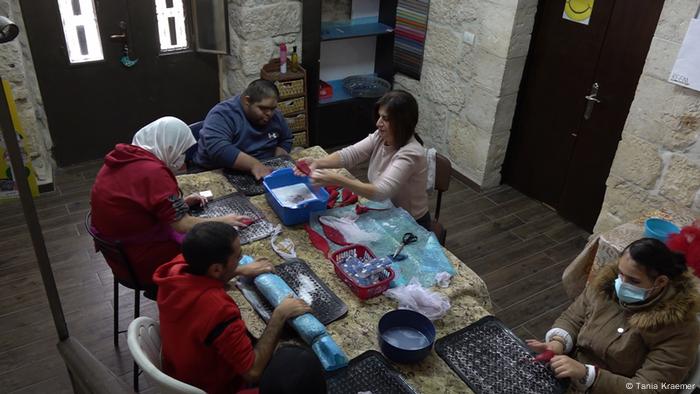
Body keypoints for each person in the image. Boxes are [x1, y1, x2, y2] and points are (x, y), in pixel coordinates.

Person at [154, 222, 325, 394]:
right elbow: (253, 372)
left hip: (178, 366)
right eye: (237, 258)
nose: (240, 259)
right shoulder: (216, 309)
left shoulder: (176, 268)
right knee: (299, 366)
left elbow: (213, 273)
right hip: (212, 385)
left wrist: (239, 270)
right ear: (216, 269)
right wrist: (279, 315)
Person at [90, 117, 248, 293]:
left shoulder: (125, 156)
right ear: (168, 145)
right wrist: (221, 221)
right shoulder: (153, 172)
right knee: (212, 250)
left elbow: (136, 199)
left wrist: (176, 205)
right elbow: (182, 225)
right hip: (140, 262)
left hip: (118, 256)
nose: (181, 159)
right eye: (180, 151)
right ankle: (234, 276)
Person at [527, 238, 699, 393]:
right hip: (570, 371)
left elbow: (650, 388)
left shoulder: (679, 329)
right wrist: (558, 343)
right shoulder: (605, 286)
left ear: (660, 282)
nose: (621, 284)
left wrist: (588, 375)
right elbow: (573, 318)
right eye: (620, 274)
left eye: (633, 281)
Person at [294, 90, 431, 230]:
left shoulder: (411, 153)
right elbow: (351, 154)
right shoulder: (381, 136)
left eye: (386, 119)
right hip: (388, 211)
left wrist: (337, 179)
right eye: (379, 116)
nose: (378, 123)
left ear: (402, 122)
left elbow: (381, 192)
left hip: (412, 223)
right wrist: (317, 163)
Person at [193, 79, 293, 179]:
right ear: (247, 101)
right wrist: (254, 165)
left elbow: (286, 139)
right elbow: (219, 149)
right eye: (263, 108)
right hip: (219, 171)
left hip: (262, 169)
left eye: (273, 109)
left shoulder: (275, 115)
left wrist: (277, 160)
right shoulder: (222, 114)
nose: (269, 114)